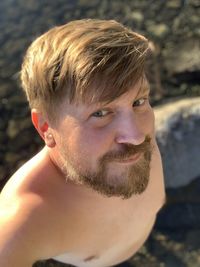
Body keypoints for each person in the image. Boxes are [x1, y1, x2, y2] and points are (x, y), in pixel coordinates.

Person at [0, 19, 165, 267]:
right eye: (100, 113)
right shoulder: (27, 217)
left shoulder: (132, 141)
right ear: (45, 126)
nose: (137, 137)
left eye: (138, 102)